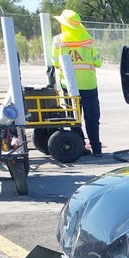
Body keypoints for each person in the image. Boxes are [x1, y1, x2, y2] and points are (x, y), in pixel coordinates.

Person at [52, 9, 103, 157]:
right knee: (92, 118)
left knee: (74, 118)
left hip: (69, 86)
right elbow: (98, 62)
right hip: (89, 85)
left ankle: (80, 146)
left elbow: (55, 62)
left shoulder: (58, 40)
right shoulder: (88, 39)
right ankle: (96, 148)